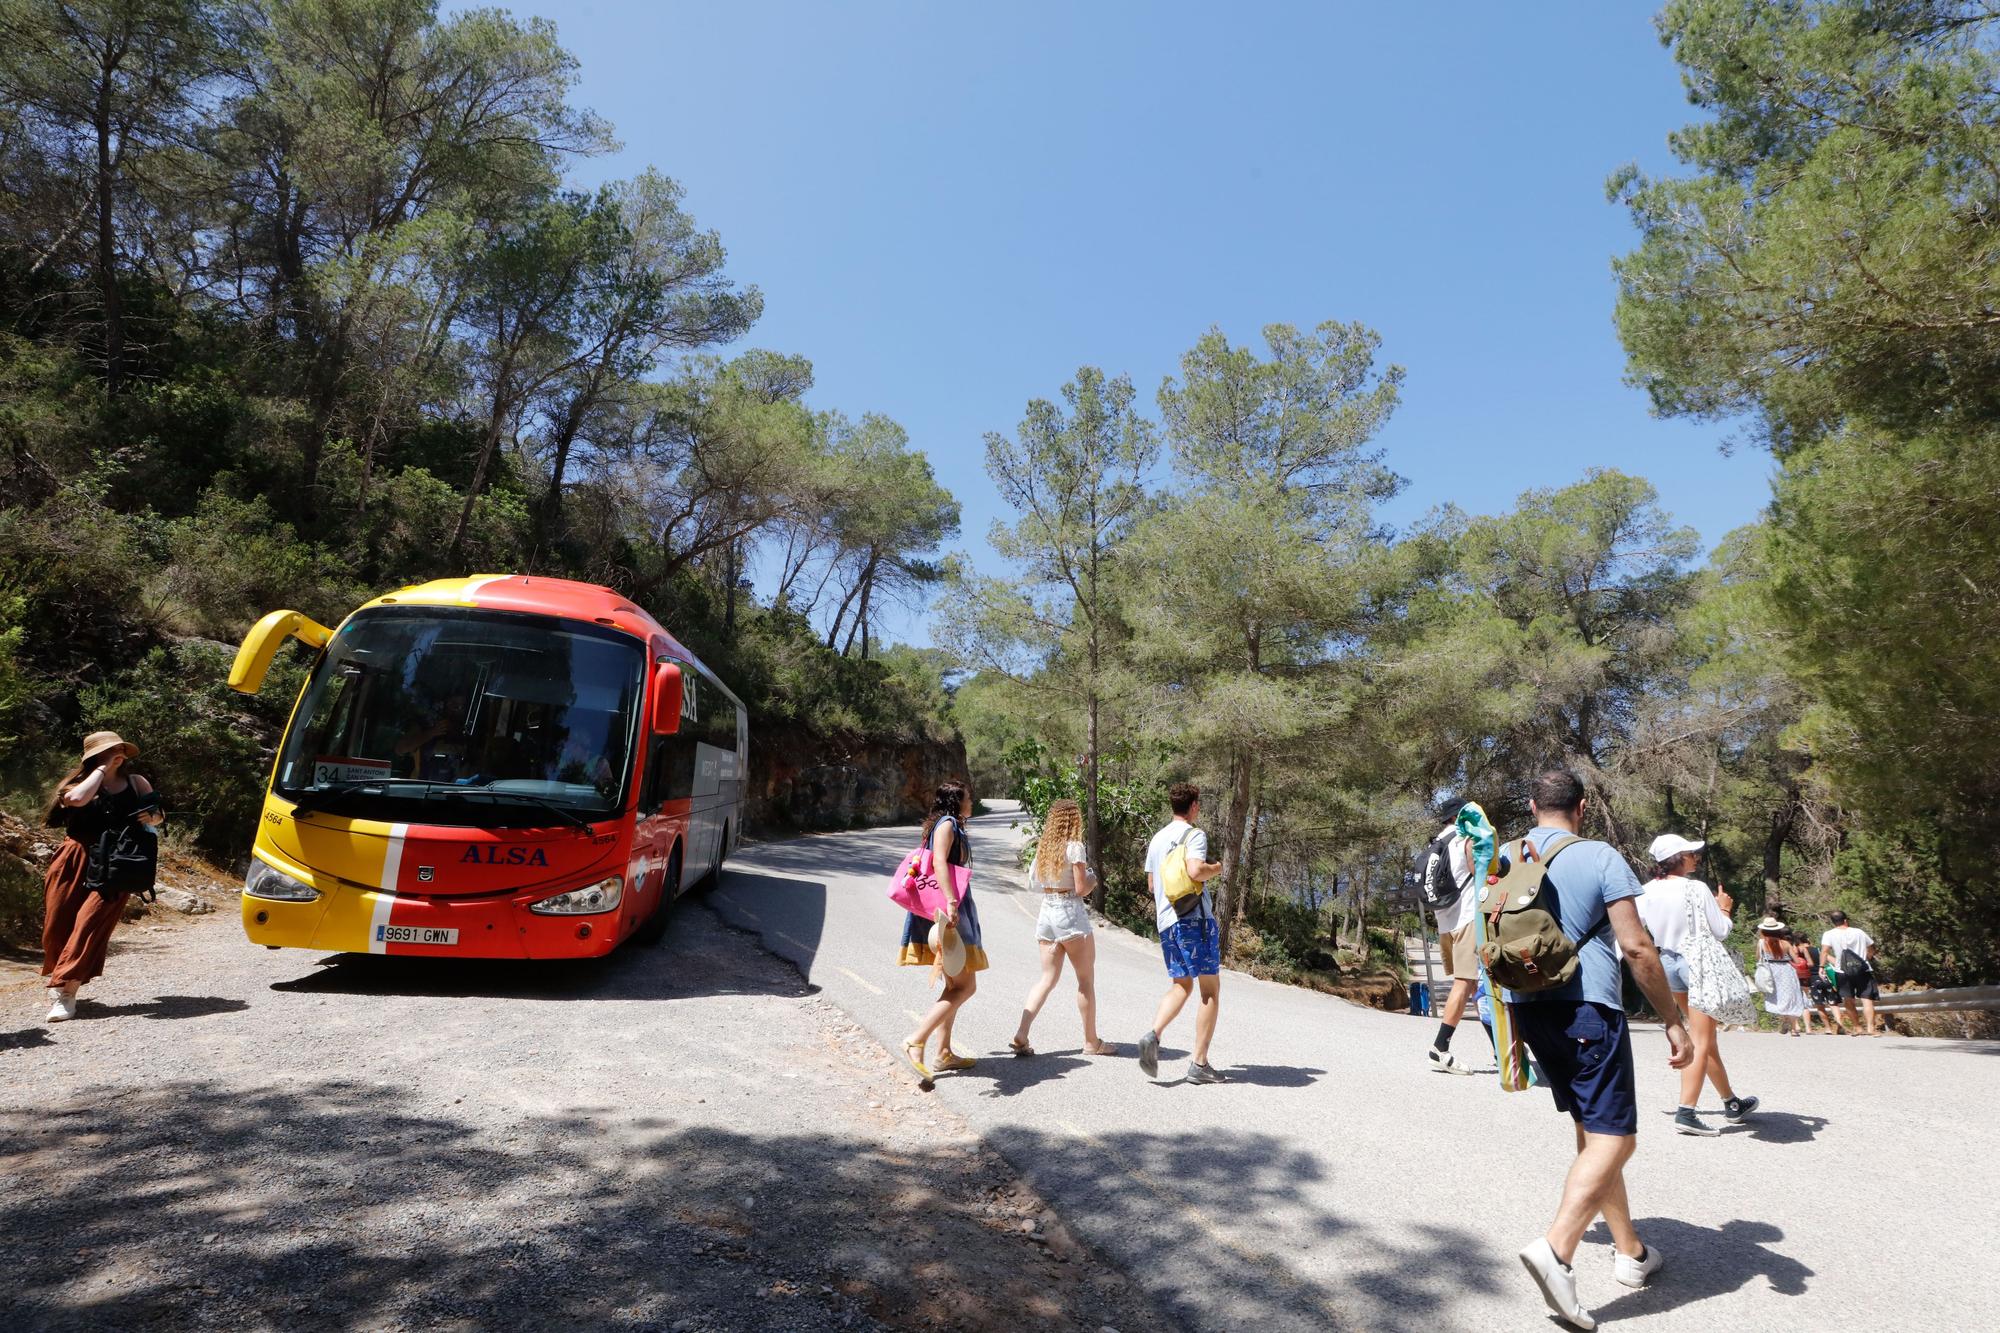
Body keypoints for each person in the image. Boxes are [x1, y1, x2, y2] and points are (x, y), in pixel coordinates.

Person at [1510, 771, 1693, 1332]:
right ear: (1582, 808)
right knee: (1617, 1137)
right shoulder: (1599, 855)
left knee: (1594, 1131)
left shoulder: (1508, 855)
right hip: (1588, 1009)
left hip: (1531, 1009)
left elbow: (1491, 944)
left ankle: (1631, 1252)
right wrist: (1673, 1020)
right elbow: (1636, 947)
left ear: (1534, 805)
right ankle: (1558, 1250)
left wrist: (1510, 1033)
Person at [1634, 833, 1758, 1136]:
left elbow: (1636, 929)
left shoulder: (1644, 891)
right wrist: (1725, 908)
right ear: (1678, 857)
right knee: (1700, 1041)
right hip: (1697, 963)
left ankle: (1731, 1102)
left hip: (1669, 963)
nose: (1695, 858)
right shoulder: (1695, 888)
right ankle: (1686, 1112)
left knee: (1705, 1038)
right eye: (1691, 853)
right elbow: (1720, 931)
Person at [39, 732, 165, 1022]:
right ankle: (64, 975)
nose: (118, 753)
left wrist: (154, 817)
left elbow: (158, 814)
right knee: (56, 928)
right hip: (75, 858)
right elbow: (77, 799)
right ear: (95, 755)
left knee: (89, 924)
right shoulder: (76, 784)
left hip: (117, 862)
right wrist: (101, 770)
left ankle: (65, 992)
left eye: (120, 748)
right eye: (110, 749)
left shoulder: (137, 782)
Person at [1008, 798, 1116, 1058]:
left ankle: (1022, 1033)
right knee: (1085, 980)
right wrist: (1093, 879)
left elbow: (1033, 882)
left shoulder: (1044, 846)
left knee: (1046, 979)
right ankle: (1091, 1042)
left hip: (1047, 912)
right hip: (1070, 913)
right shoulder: (1074, 847)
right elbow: (1081, 888)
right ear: (1073, 820)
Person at [898, 781, 988, 1086]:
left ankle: (944, 1052)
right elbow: (938, 861)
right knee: (965, 987)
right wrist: (951, 902)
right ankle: (916, 1039)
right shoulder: (948, 824)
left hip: (948, 908)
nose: (971, 801)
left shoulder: (948, 824)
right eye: (968, 798)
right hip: (949, 910)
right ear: (956, 802)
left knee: (953, 984)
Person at [1137, 783, 1225, 1084]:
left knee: (1181, 985)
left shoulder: (1158, 838)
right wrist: (1216, 868)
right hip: (1194, 921)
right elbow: (1195, 871)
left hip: (1166, 923)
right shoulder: (1194, 835)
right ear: (1194, 806)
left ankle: (1154, 1034)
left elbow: (1151, 885)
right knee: (1209, 991)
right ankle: (1199, 1065)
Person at [1422, 812, 1481, 1074]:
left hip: (1444, 924)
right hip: (1467, 918)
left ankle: (1503, 1048)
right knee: (1465, 982)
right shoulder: (1464, 841)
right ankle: (1440, 1048)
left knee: (1474, 984)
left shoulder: (1436, 845)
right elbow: (1480, 874)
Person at [1821, 910, 1882, 1036]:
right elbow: (1872, 947)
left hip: (1842, 971)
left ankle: (1857, 1027)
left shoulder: (1829, 934)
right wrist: (1867, 957)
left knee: (1848, 1000)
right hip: (1862, 969)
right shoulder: (1859, 932)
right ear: (1845, 920)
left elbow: (1825, 951)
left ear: (1833, 922)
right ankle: (1871, 1028)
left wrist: (1821, 966)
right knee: (1867, 999)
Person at [1756, 918, 1806, 1035]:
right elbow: (1796, 960)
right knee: (1791, 998)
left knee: (1778, 998)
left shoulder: (1761, 943)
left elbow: (1758, 958)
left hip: (1771, 971)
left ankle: (1784, 1019)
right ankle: (1794, 1027)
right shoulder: (1785, 943)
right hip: (1786, 971)